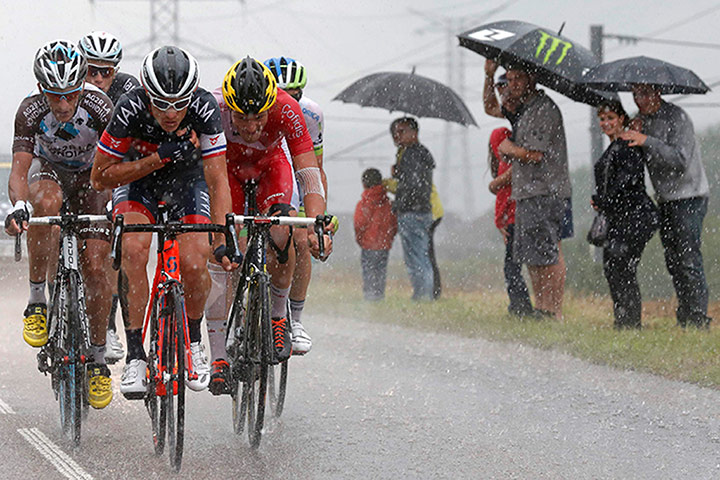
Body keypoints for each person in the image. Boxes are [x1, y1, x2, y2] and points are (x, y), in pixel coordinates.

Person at [91, 45, 233, 398]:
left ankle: (194, 340)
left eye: (179, 103)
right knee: (134, 250)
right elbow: (100, 177)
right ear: (146, 93)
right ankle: (137, 355)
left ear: (192, 95)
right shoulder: (130, 108)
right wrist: (156, 159)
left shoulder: (204, 108)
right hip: (138, 182)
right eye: (162, 103)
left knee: (195, 260)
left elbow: (217, 180)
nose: (171, 113)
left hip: (188, 182)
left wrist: (224, 235)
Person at [203, 56, 332, 395]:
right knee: (222, 253)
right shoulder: (211, 107)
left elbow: (308, 171)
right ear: (228, 107)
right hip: (226, 169)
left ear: (269, 106)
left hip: (269, 168)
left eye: (258, 116)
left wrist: (316, 222)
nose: (249, 126)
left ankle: (278, 317)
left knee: (284, 230)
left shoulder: (288, 108)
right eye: (241, 117)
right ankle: (218, 357)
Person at [5, 40, 114, 409]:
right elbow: (20, 170)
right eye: (55, 96)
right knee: (43, 203)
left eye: (70, 95)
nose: (64, 106)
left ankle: (98, 361)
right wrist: (18, 205)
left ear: (82, 86)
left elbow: (119, 160)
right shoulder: (30, 110)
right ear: (41, 90)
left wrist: (119, 201)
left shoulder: (101, 105)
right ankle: (37, 301)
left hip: (92, 177)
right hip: (48, 172)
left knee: (97, 266)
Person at [483, 62, 571, 319]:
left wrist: (507, 149)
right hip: (528, 191)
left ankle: (552, 311)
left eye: (518, 78)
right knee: (534, 254)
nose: (512, 84)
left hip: (544, 190)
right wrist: (489, 75)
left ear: (532, 77)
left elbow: (533, 154)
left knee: (547, 253)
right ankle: (542, 308)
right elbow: (490, 107)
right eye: (509, 79)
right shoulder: (523, 108)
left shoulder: (541, 110)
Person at [620, 84, 711, 328]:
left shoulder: (677, 118)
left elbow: (680, 159)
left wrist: (646, 140)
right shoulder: (641, 121)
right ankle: (686, 316)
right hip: (665, 198)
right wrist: (630, 133)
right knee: (673, 260)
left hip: (689, 196)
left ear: (658, 93)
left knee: (688, 259)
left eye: (646, 93)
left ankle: (698, 318)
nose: (641, 100)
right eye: (636, 94)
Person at [78, 30, 141, 364]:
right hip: (76, 169)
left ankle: (110, 326)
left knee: (112, 250)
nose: (99, 78)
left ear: (116, 70)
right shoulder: (70, 88)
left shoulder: (127, 89)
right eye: (92, 70)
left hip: (111, 171)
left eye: (107, 71)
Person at [264, 56, 326, 355]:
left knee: (301, 238)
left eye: (295, 94)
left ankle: (296, 319)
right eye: (280, 91)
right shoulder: (257, 108)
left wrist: (320, 220)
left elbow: (316, 168)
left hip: (296, 181)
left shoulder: (311, 114)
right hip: (265, 175)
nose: (287, 99)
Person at [593, 101, 659, 329]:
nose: (606, 123)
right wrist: (601, 199)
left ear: (621, 118)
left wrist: (605, 199)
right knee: (614, 267)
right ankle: (623, 320)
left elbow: (628, 184)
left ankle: (630, 322)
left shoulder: (628, 145)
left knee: (622, 267)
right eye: (602, 119)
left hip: (634, 217)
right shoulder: (615, 146)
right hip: (620, 218)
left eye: (611, 117)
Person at [488, 127, 534, 317]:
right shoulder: (513, 162)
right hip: (521, 217)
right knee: (518, 265)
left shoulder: (506, 165)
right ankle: (522, 305)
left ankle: (520, 306)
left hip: (514, 220)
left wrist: (499, 220)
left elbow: (503, 197)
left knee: (512, 267)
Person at [388, 117, 435, 301]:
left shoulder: (412, 154)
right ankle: (423, 293)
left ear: (414, 133)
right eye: (395, 132)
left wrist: (400, 202)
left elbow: (413, 185)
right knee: (420, 254)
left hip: (413, 212)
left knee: (416, 256)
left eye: (402, 131)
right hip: (421, 210)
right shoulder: (418, 153)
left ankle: (423, 295)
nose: (397, 136)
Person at [354, 168, 397, 300]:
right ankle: (379, 296)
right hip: (384, 245)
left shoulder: (364, 203)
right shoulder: (388, 203)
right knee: (380, 272)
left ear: (364, 184)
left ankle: (370, 297)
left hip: (368, 245)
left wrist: (361, 239)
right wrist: (389, 238)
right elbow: (394, 223)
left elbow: (359, 224)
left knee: (369, 272)